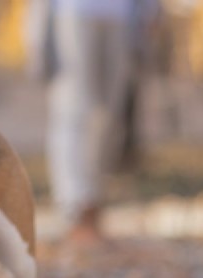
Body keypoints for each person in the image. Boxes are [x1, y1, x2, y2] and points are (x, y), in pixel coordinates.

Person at [25, 0, 159, 245]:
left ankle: (94, 199)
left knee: (111, 118)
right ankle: (75, 206)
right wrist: (36, 34)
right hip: (73, 13)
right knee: (73, 110)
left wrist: (149, 12)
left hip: (121, 16)